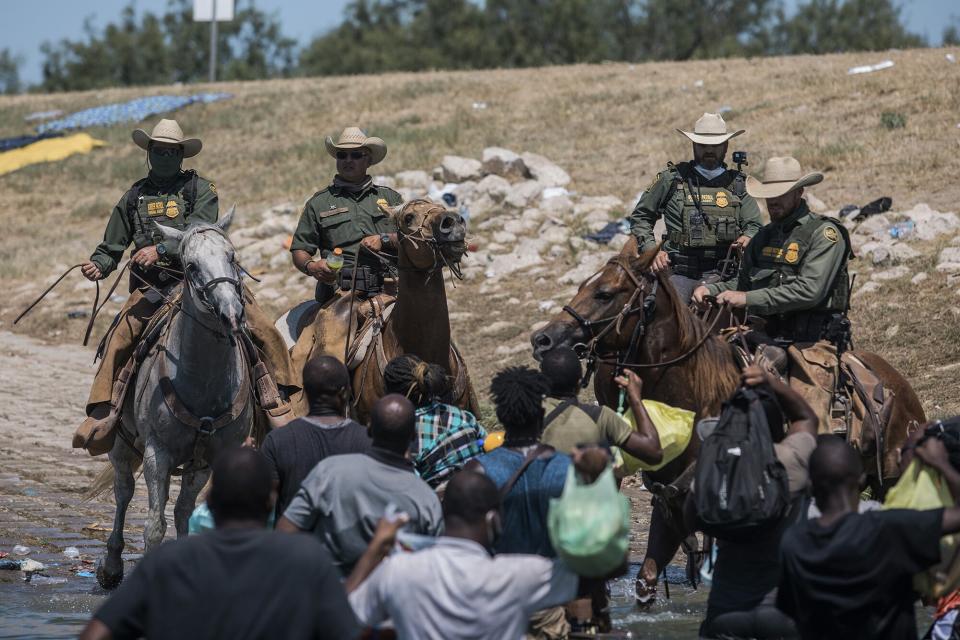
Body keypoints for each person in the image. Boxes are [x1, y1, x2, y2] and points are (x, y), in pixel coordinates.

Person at [73, 119, 297, 456]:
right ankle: (105, 411)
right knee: (119, 337)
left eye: (170, 151)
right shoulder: (134, 195)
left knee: (262, 327)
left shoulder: (200, 189)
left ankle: (276, 398)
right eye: (158, 151)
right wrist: (98, 265)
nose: (164, 156)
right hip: (155, 288)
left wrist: (161, 249)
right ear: (149, 153)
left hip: (204, 280)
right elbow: (112, 246)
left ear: (181, 155)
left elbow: (201, 232)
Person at [79, 447, 359, 640]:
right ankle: (110, 411)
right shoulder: (307, 559)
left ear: (209, 501)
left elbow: (96, 633)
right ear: (270, 501)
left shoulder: (167, 560)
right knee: (119, 361)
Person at [346, 466, 621, 640]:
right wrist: (594, 486)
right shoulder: (516, 574)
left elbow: (342, 616)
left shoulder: (399, 570)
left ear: (443, 514)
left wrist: (374, 550)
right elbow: (609, 565)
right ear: (493, 520)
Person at [693, 156, 853, 429]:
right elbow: (743, 286)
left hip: (812, 342)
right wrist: (712, 289)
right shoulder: (763, 238)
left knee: (811, 420)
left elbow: (810, 291)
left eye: (780, 195)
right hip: (765, 334)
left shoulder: (825, 235)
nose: (772, 202)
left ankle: (817, 461)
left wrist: (748, 299)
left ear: (800, 193)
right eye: (768, 196)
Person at [777, 436, 960, 639]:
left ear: (811, 486)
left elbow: (791, 611)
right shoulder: (890, 529)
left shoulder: (793, 542)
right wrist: (940, 463)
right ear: (862, 481)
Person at [693, 365, 818, 640]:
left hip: (725, 611)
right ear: (777, 426)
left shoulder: (714, 471)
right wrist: (771, 382)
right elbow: (806, 418)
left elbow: (690, 516)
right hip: (784, 613)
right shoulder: (789, 461)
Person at [277, 394, 443, 575]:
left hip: (331, 592)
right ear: (413, 437)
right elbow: (435, 567)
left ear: (369, 429)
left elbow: (284, 534)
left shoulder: (330, 472)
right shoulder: (427, 500)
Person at [630, 112, 762, 302]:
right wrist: (652, 251)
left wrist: (748, 237)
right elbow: (641, 217)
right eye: (702, 145)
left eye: (715, 146)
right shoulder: (671, 179)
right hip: (678, 272)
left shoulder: (739, 184)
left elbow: (755, 225)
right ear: (693, 145)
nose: (709, 150)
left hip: (724, 274)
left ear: (725, 146)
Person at [290, 127, 403, 305]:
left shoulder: (391, 198)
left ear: (368, 160)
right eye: (342, 155)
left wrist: (385, 239)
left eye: (356, 155)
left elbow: (411, 238)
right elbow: (300, 250)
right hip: (340, 295)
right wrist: (312, 267)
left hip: (391, 288)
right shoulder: (318, 203)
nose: (348, 160)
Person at [260, 356, 372, 520]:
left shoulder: (276, 441)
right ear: (345, 391)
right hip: (347, 545)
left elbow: (264, 506)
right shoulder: (368, 441)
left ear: (305, 392)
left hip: (293, 543)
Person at [538, 347, 662, 466]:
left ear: (542, 382)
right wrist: (635, 399)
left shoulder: (528, 414)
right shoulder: (601, 417)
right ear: (580, 382)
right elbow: (653, 452)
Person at [383, 354, 486, 489]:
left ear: (396, 397)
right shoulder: (465, 417)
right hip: (485, 490)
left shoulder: (407, 440)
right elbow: (487, 446)